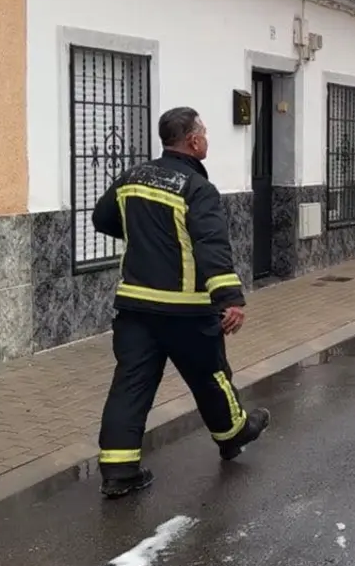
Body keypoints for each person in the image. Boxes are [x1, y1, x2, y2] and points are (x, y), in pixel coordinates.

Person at [91, 106, 270, 499]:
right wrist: (231, 299)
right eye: (204, 132)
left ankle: (119, 472)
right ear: (192, 140)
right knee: (211, 377)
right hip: (186, 311)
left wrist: (145, 237)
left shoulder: (132, 178)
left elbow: (101, 218)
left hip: (135, 309)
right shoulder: (196, 188)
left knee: (130, 385)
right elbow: (211, 245)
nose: (206, 138)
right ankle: (233, 434)